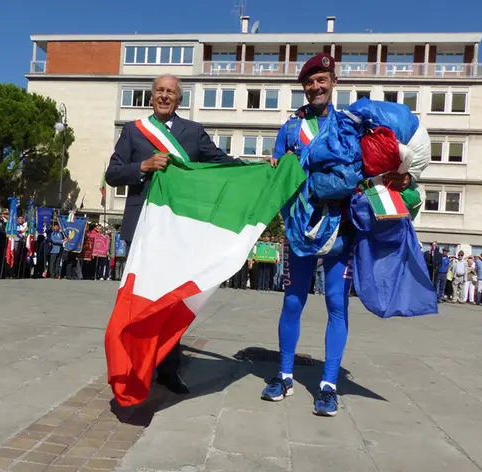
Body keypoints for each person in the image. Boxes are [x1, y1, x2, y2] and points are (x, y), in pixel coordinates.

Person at [105, 73, 235, 395]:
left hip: (177, 231)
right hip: (143, 228)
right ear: (152, 96)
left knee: (170, 301)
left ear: (179, 99)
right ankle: (135, 363)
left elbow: (222, 163)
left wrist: (263, 169)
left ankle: (168, 368)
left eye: (171, 92)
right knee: (142, 301)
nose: (165, 96)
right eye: (160, 91)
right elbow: (112, 174)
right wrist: (143, 167)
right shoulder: (134, 132)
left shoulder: (193, 133)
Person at [259, 54, 365, 417]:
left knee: (337, 303)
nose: (316, 87)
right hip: (300, 229)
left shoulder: (350, 124)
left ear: (333, 81)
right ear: (303, 87)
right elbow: (278, 173)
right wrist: (275, 166)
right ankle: (285, 376)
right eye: (310, 82)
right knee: (292, 301)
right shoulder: (290, 129)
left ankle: (329, 385)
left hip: (341, 228)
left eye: (322, 79)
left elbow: (367, 169)